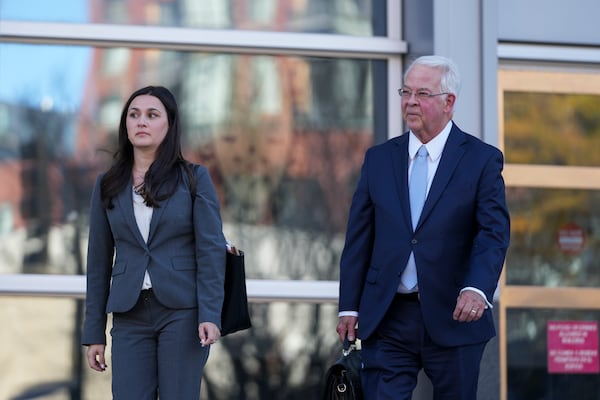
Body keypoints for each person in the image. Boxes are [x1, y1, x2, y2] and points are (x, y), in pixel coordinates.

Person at [336, 55, 510, 399]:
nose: (411, 101)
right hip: (388, 316)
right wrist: (349, 306)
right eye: (406, 92)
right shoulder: (379, 159)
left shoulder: (481, 159)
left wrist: (477, 288)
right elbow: (359, 238)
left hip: (454, 315)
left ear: (449, 103)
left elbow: (492, 232)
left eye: (422, 94)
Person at [81, 85, 226, 399]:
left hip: (182, 313)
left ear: (169, 125)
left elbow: (211, 250)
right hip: (129, 314)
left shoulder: (193, 178)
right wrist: (94, 332)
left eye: (151, 115)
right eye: (133, 115)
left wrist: (210, 315)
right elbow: (98, 262)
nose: (141, 122)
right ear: (126, 126)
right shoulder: (107, 184)